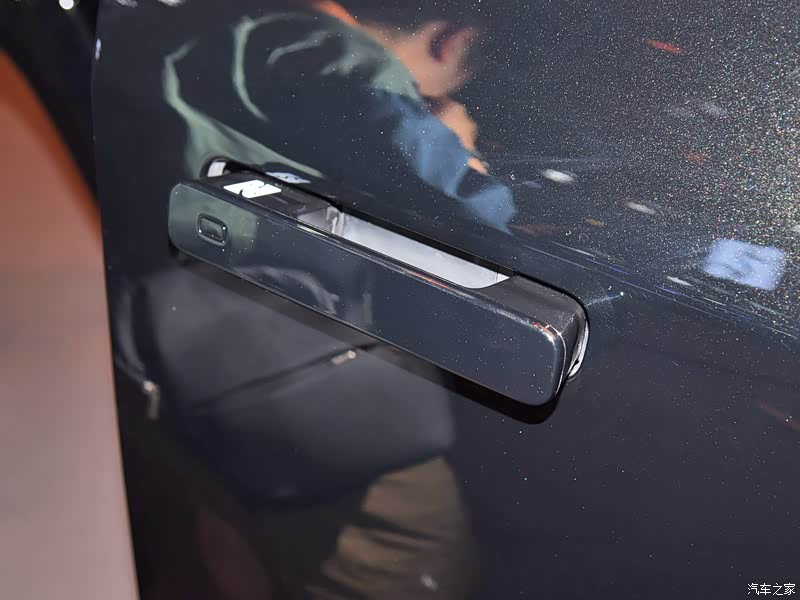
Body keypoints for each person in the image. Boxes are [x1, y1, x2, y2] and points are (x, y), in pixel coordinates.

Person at [164, 0, 516, 231]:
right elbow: (478, 218)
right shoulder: (365, 67)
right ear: (454, 42)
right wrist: (461, 150)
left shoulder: (246, 16)